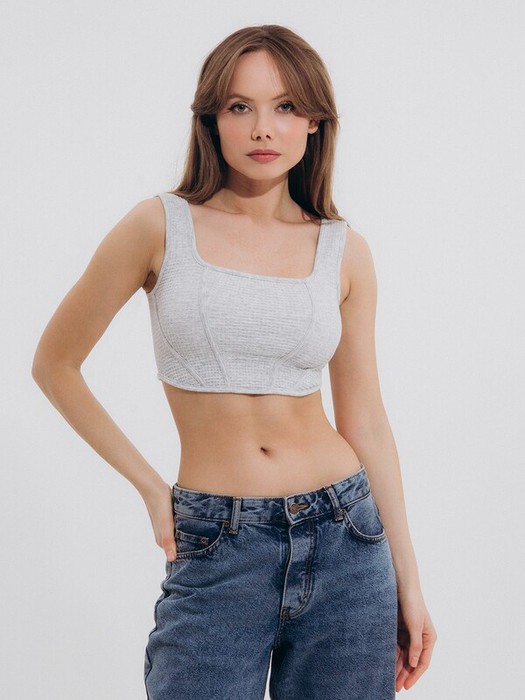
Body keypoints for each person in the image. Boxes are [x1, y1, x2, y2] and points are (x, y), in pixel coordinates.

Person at [32, 23, 436, 700]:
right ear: (210, 119)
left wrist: (408, 581)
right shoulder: (158, 226)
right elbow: (55, 364)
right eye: (239, 106)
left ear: (314, 122)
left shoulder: (343, 250)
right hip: (217, 541)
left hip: (347, 536)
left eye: (286, 106)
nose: (262, 128)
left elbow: (365, 421)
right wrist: (152, 489)